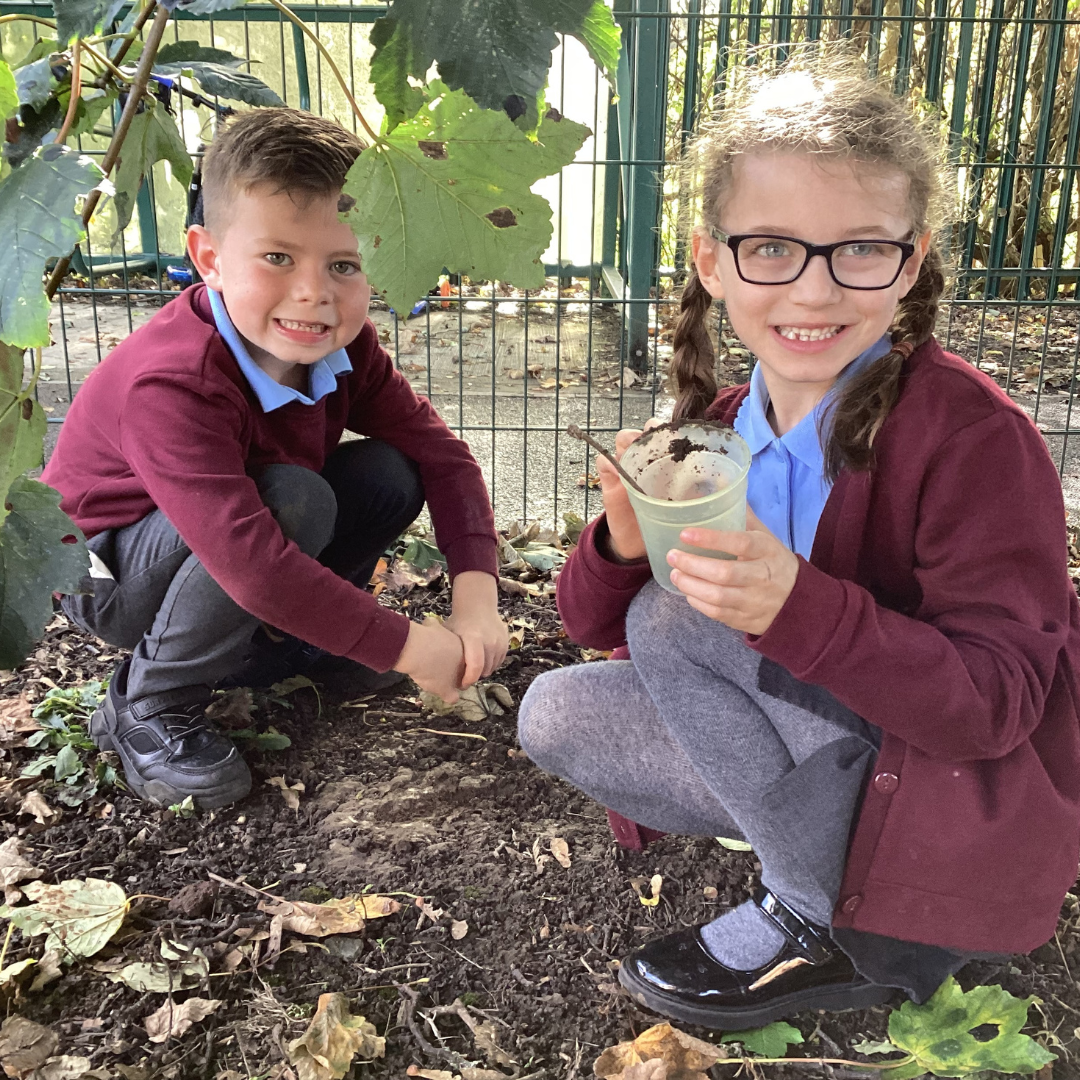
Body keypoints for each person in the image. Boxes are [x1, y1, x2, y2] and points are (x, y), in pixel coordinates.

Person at [517, 52, 1080, 1029]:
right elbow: (585, 622)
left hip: (953, 778)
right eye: (772, 248)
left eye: (859, 249)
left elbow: (995, 707)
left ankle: (830, 918)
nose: (814, 293)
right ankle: (839, 853)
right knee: (558, 712)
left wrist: (796, 609)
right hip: (842, 748)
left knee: (674, 621)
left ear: (911, 260)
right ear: (712, 260)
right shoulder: (715, 430)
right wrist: (621, 540)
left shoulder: (974, 440)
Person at [43, 108, 507, 811]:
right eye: (278, 258)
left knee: (388, 472)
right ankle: (149, 701)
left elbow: (444, 457)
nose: (314, 292)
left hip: (213, 545)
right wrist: (409, 647)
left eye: (344, 264)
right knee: (293, 499)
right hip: (102, 573)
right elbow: (252, 563)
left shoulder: (346, 349)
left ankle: (294, 645)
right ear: (209, 258)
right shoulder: (174, 382)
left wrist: (477, 598)